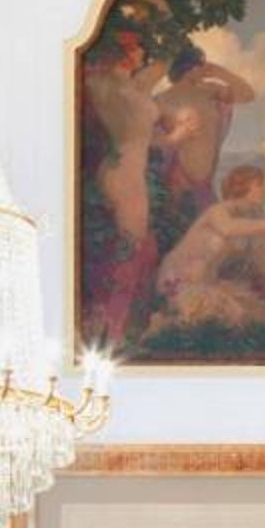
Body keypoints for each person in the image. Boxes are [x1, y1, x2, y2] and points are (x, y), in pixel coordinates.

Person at [81, 29, 170, 334]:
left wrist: (174, 137)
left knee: (130, 248)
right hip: (126, 175)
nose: (144, 53)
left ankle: (114, 325)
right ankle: (112, 329)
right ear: (124, 53)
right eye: (137, 48)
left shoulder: (127, 85)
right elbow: (136, 136)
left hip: (122, 170)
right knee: (130, 251)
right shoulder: (116, 88)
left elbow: (166, 58)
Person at [151, 162, 265, 332]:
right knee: (216, 316)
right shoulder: (218, 211)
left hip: (207, 280)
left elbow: (262, 261)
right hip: (179, 278)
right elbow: (228, 228)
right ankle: (163, 322)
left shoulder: (252, 218)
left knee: (253, 313)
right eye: (259, 185)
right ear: (242, 187)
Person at [154, 50, 258, 210]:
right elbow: (147, 141)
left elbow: (247, 95)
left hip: (205, 181)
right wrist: (175, 136)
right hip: (177, 179)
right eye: (202, 64)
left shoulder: (209, 90)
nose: (206, 68)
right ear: (191, 68)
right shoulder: (161, 99)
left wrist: (220, 73)